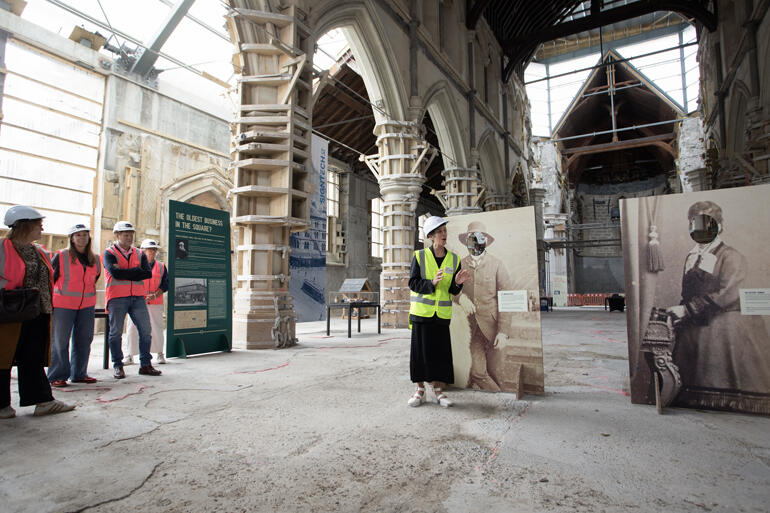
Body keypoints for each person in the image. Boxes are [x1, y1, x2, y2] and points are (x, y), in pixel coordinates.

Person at [667, 201, 770, 412]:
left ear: (719, 226)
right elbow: (688, 293)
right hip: (694, 324)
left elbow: (729, 293)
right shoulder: (692, 256)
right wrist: (681, 311)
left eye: (706, 224)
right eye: (694, 224)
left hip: (726, 327)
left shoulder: (731, 256)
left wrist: (687, 310)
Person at [1, 205, 75, 418]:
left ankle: (43, 401)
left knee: (32, 357)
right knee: (3, 357)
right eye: (38, 225)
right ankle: (2, 405)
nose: (42, 228)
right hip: (9, 312)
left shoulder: (38, 250)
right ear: (24, 226)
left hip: (36, 311)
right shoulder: (3, 248)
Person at [408, 216, 470, 408]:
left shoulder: (454, 259)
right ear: (431, 236)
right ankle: (419, 390)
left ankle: (438, 391)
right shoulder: (419, 256)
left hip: (441, 315)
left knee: (440, 355)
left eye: (444, 231)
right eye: (440, 232)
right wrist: (431, 283)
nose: (444, 234)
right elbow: (413, 283)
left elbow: (453, 290)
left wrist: (457, 283)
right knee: (420, 354)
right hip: (422, 313)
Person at [454, 221, 514, 391]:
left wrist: (503, 332)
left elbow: (507, 298)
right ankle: (500, 398)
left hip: (494, 328)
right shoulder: (460, 264)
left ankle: (498, 398)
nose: (474, 243)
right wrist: (460, 297)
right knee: (478, 372)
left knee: (496, 373)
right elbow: (451, 291)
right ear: (466, 242)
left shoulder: (497, 264)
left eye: (479, 239)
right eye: (471, 239)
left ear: (485, 242)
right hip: (472, 329)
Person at [103, 221, 161, 379]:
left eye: (131, 234)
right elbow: (115, 273)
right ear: (117, 235)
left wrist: (125, 272)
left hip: (137, 298)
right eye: (125, 234)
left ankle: (145, 365)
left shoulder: (140, 254)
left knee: (146, 331)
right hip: (117, 297)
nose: (129, 237)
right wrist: (135, 271)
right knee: (115, 333)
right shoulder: (109, 253)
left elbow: (147, 273)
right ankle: (118, 365)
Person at [47, 223, 101, 387]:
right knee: (60, 341)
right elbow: (51, 279)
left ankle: (79, 374)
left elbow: (94, 279)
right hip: (63, 304)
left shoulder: (95, 259)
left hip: (87, 306)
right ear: (71, 238)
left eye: (84, 235)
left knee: (84, 339)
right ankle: (57, 375)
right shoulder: (61, 256)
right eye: (78, 235)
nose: (82, 238)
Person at [124, 239, 168, 365]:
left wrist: (154, 295)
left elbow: (165, 284)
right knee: (132, 328)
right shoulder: (134, 265)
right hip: (136, 302)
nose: (152, 252)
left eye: (154, 249)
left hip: (155, 303)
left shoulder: (161, 266)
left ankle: (159, 353)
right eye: (149, 249)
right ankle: (129, 355)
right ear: (142, 251)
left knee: (157, 328)